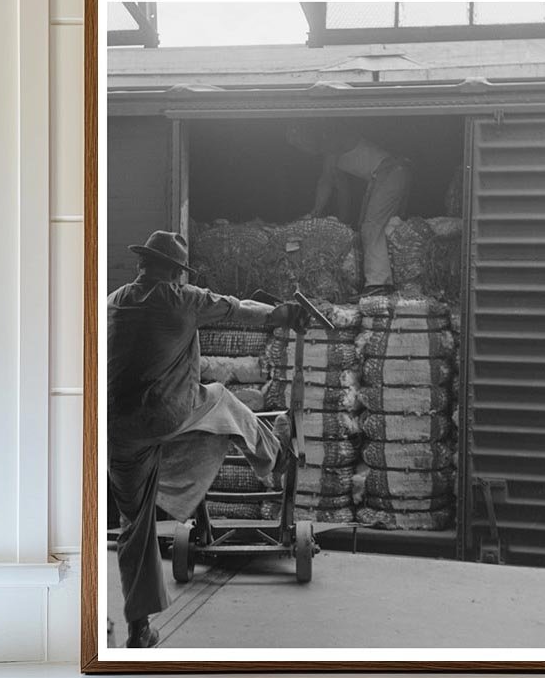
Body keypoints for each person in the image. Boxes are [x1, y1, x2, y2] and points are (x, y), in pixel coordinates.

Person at [107, 230, 305, 648]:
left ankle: (139, 629)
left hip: (115, 428)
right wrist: (282, 314)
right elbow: (241, 311)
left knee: (135, 526)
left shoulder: (114, 301)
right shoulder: (180, 299)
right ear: (176, 273)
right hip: (165, 415)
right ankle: (274, 456)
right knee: (220, 398)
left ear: (142, 265)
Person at [286, 122, 411, 297]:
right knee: (367, 227)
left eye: (301, 143)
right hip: (384, 175)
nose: (303, 149)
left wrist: (315, 212)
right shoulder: (333, 154)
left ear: (308, 136)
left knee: (372, 227)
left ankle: (379, 284)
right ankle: (383, 279)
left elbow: (326, 180)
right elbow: (342, 189)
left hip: (390, 172)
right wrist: (344, 223)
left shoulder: (331, 140)